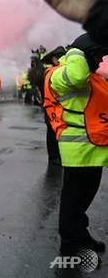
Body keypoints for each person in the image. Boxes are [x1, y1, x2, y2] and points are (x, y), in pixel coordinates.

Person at [43, 33, 108, 256]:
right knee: (74, 200)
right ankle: (70, 243)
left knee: (83, 199)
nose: (101, 61)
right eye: (98, 55)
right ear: (86, 52)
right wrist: (77, 51)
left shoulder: (88, 72)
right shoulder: (62, 72)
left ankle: (81, 234)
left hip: (93, 148)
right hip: (79, 150)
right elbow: (77, 77)